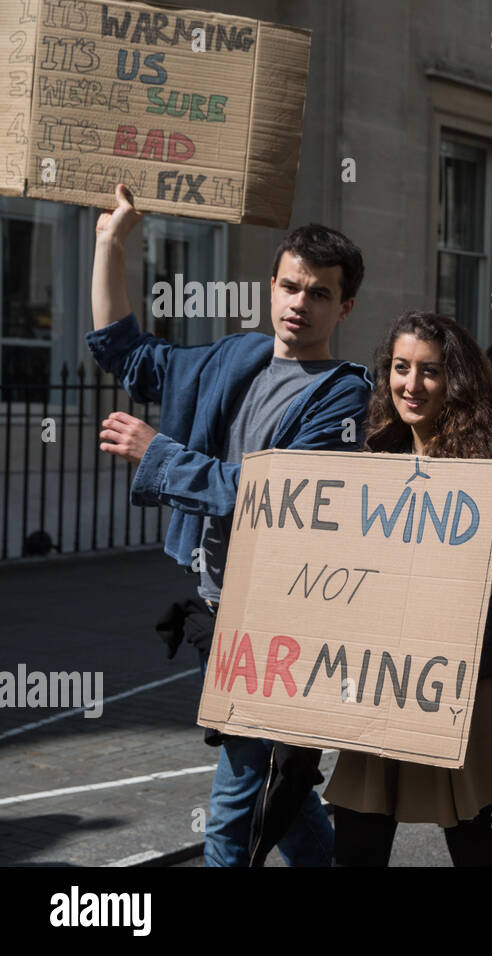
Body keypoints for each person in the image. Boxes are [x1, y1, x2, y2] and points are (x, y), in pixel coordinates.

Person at [86, 185, 371, 867]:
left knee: (234, 813)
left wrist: (159, 452)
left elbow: (276, 496)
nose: (299, 304)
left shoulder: (344, 392)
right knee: (287, 790)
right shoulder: (233, 359)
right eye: (290, 286)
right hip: (222, 606)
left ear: (344, 306)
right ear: (271, 286)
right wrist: (111, 243)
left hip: (289, 618)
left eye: (319, 293)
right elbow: (124, 352)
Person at [326, 311, 492, 867]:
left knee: (480, 853)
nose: (411, 384)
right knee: (356, 844)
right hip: (386, 679)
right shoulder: (377, 453)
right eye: (400, 368)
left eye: (429, 371)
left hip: (476, 685)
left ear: (457, 379)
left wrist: (448, 619)